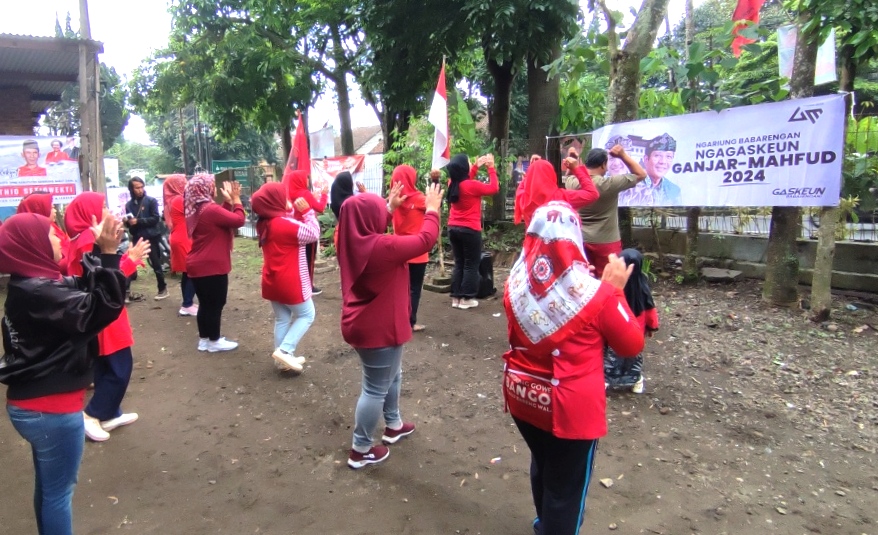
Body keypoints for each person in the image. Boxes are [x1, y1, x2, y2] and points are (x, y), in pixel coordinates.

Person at [502, 200, 646, 535]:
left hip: (524, 396)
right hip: (570, 409)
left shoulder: (515, 284)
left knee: (544, 463)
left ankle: (544, 523)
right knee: (567, 489)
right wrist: (614, 292)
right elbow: (631, 344)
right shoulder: (598, 296)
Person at [0, 212, 127, 535]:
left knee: (49, 488)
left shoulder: (31, 284)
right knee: (58, 494)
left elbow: (83, 285)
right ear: (33, 244)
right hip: (50, 410)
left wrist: (99, 254)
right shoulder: (40, 292)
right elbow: (100, 308)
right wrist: (110, 256)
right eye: (51, 235)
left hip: (36, 405)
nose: (59, 239)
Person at [338, 184, 442, 469]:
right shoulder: (383, 247)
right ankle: (360, 449)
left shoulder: (349, 239)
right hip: (378, 329)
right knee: (374, 389)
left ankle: (393, 424)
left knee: (391, 376)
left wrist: (387, 207)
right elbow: (425, 240)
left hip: (363, 323)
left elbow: (365, 220)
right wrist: (432, 208)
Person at [65, 192, 150, 442]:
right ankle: (92, 414)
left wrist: (123, 256)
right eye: (101, 206)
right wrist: (130, 261)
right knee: (120, 367)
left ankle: (110, 412)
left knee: (105, 365)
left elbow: (104, 271)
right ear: (87, 213)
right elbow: (100, 283)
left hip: (103, 311)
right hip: (104, 313)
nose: (107, 210)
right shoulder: (87, 241)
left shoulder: (88, 240)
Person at [251, 182, 319, 373]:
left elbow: (286, 222)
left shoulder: (265, 222)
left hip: (272, 281)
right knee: (307, 314)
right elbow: (313, 234)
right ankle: (285, 350)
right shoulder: (285, 225)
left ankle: (281, 360)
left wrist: (289, 209)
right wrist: (308, 213)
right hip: (290, 281)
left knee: (282, 318)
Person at [564, 145, 647, 277]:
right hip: (607, 242)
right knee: (609, 280)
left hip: (580, 240)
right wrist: (622, 155)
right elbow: (641, 174)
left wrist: (573, 163)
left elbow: (572, 175)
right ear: (603, 164)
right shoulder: (608, 184)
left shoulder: (572, 183)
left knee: (584, 279)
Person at [185, 174, 245, 352]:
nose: (213, 187)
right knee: (216, 304)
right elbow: (238, 220)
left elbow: (220, 219)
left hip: (198, 264)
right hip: (211, 266)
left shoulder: (199, 208)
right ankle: (214, 341)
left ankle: (204, 340)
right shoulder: (209, 209)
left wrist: (227, 202)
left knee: (205, 303)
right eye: (210, 185)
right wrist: (236, 200)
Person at [446, 153, 498, 310]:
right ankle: (467, 298)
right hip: (469, 230)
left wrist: (475, 166)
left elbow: (464, 180)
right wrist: (491, 168)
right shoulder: (472, 186)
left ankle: (456, 297)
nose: (470, 164)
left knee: (459, 263)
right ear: (463, 169)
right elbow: (494, 188)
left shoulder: (452, 184)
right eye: (468, 162)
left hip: (453, 228)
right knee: (471, 264)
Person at [604, 249, 659, 393]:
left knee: (611, 358)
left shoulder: (614, 287)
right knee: (633, 360)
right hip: (636, 333)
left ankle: (606, 380)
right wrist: (651, 327)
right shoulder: (643, 288)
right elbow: (650, 310)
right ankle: (636, 381)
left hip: (615, 333)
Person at [391, 165, 429, 332]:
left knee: (399, 289)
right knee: (414, 289)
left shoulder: (392, 199)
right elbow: (435, 206)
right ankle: (410, 322)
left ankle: (397, 319)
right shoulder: (419, 199)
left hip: (398, 250)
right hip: (417, 252)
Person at [514, 158, 600, 228]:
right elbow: (592, 194)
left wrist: (533, 168)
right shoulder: (561, 197)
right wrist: (576, 169)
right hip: (558, 247)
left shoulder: (524, 197)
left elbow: (525, 183)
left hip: (533, 247)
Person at [284, 169, 328, 295]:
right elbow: (320, 208)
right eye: (306, 178)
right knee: (309, 258)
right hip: (307, 229)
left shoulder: (290, 194)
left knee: (298, 258)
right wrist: (324, 194)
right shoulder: (305, 193)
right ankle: (309, 285)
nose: (308, 180)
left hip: (294, 229)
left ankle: (297, 283)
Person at [125, 177, 168, 300]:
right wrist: (128, 223)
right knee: (130, 263)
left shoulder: (151, 201)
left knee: (156, 264)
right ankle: (126, 292)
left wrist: (138, 221)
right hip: (137, 237)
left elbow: (155, 218)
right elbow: (130, 224)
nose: (140, 190)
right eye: (137, 188)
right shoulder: (128, 205)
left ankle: (162, 289)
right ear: (131, 189)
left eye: (141, 187)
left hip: (151, 237)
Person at [163, 174, 197, 316]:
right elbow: (195, 213)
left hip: (182, 237)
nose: (186, 184)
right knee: (191, 272)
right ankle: (186, 305)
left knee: (188, 272)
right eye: (183, 182)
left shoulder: (174, 199)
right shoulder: (178, 200)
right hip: (183, 239)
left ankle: (187, 302)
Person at [618, 133, 681, 206]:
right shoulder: (629, 186)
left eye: (669, 157)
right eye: (657, 155)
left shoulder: (674, 191)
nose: (663, 162)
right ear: (646, 159)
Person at [17, 192, 70, 275]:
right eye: (51, 208)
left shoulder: (53, 228)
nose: (55, 211)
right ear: (39, 210)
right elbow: (49, 266)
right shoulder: (34, 235)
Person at [329, 171, 366, 249]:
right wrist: (365, 193)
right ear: (346, 184)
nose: (352, 184)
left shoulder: (336, 200)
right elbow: (371, 208)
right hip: (355, 236)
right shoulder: (352, 202)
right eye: (351, 181)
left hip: (340, 235)